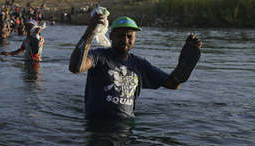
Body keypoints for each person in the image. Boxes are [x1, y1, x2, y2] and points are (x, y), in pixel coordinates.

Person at [69, 14, 202, 119]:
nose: (125, 40)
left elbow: (173, 84)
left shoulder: (140, 64)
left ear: (135, 38)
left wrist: (187, 60)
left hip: (126, 125)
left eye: (129, 36)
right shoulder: (99, 56)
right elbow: (75, 67)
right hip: (95, 124)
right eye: (121, 35)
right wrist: (90, 32)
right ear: (111, 36)